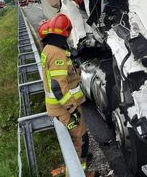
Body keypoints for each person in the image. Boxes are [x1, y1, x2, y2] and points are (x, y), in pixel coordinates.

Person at [39, 13, 91, 175]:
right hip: (65, 108)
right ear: (65, 32)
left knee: (79, 140)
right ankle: (77, 172)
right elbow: (58, 86)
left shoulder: (50, 48)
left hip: (61, 107)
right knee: (80, 140)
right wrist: (72, 109)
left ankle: (81, 169)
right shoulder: (57, 54)